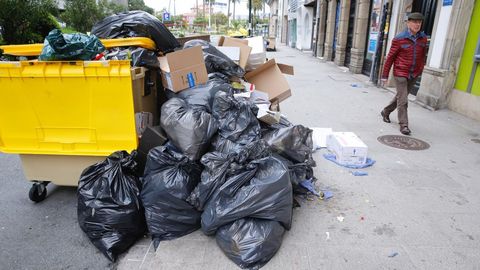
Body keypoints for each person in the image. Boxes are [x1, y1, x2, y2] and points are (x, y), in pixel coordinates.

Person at [380, 12, 427, 135]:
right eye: (415, 22)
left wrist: (421, 68)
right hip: (400, 72)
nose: (417, 25)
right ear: (408, 23)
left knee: (401, 96)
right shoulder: (399, 39)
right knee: (403, 100)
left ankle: (386, 111)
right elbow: (390, 58)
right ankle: (404, 125)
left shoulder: (423, 38)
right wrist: (384, 75)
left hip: (414, 73)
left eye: (419, 22)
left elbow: (423, 56)